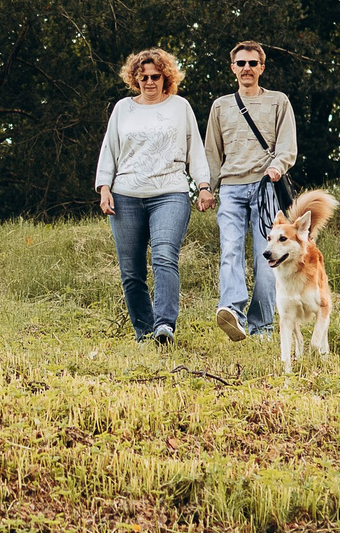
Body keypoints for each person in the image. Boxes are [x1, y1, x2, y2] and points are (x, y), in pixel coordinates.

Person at [94, 47, 213, 345]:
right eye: (143, 77)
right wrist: (104, 187)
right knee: (131, 270)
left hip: (169, 192)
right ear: (134, 78)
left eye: (155, 76)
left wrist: (203, 186)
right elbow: (109, 149)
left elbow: (195, 149)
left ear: (166, 77)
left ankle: (164, 326)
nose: (149, 82)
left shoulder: (180, 107)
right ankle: (144, 332)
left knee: (164, 256)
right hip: (126, 195)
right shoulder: (123, 108)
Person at [201, 40, 298, 343]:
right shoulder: (221, 106)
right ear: (233, 68)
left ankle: (262, 326)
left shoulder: (278, 101)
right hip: (231, 188)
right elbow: (212, 151)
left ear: (262, 68)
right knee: (230, 249)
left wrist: (277, 167)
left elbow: (288, 145)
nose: (247, 68)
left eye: (252, 63)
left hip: (265, 187)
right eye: (241, 63)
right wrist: (207, 187)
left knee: (266, 257)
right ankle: (232, 311)